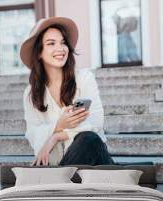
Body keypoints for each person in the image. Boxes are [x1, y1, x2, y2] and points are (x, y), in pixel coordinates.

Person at [20, 17, 114, 166]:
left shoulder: (84, 79)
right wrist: (59, 124)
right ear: (39, 52)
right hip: (59, 164)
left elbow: (95, 123)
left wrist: (56, 136)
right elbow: (33, 133)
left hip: (95, 163)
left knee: (88, 139)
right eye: (51, 43)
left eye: (63, 42)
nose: (60, 48)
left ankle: (61, 183)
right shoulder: (31, 94)